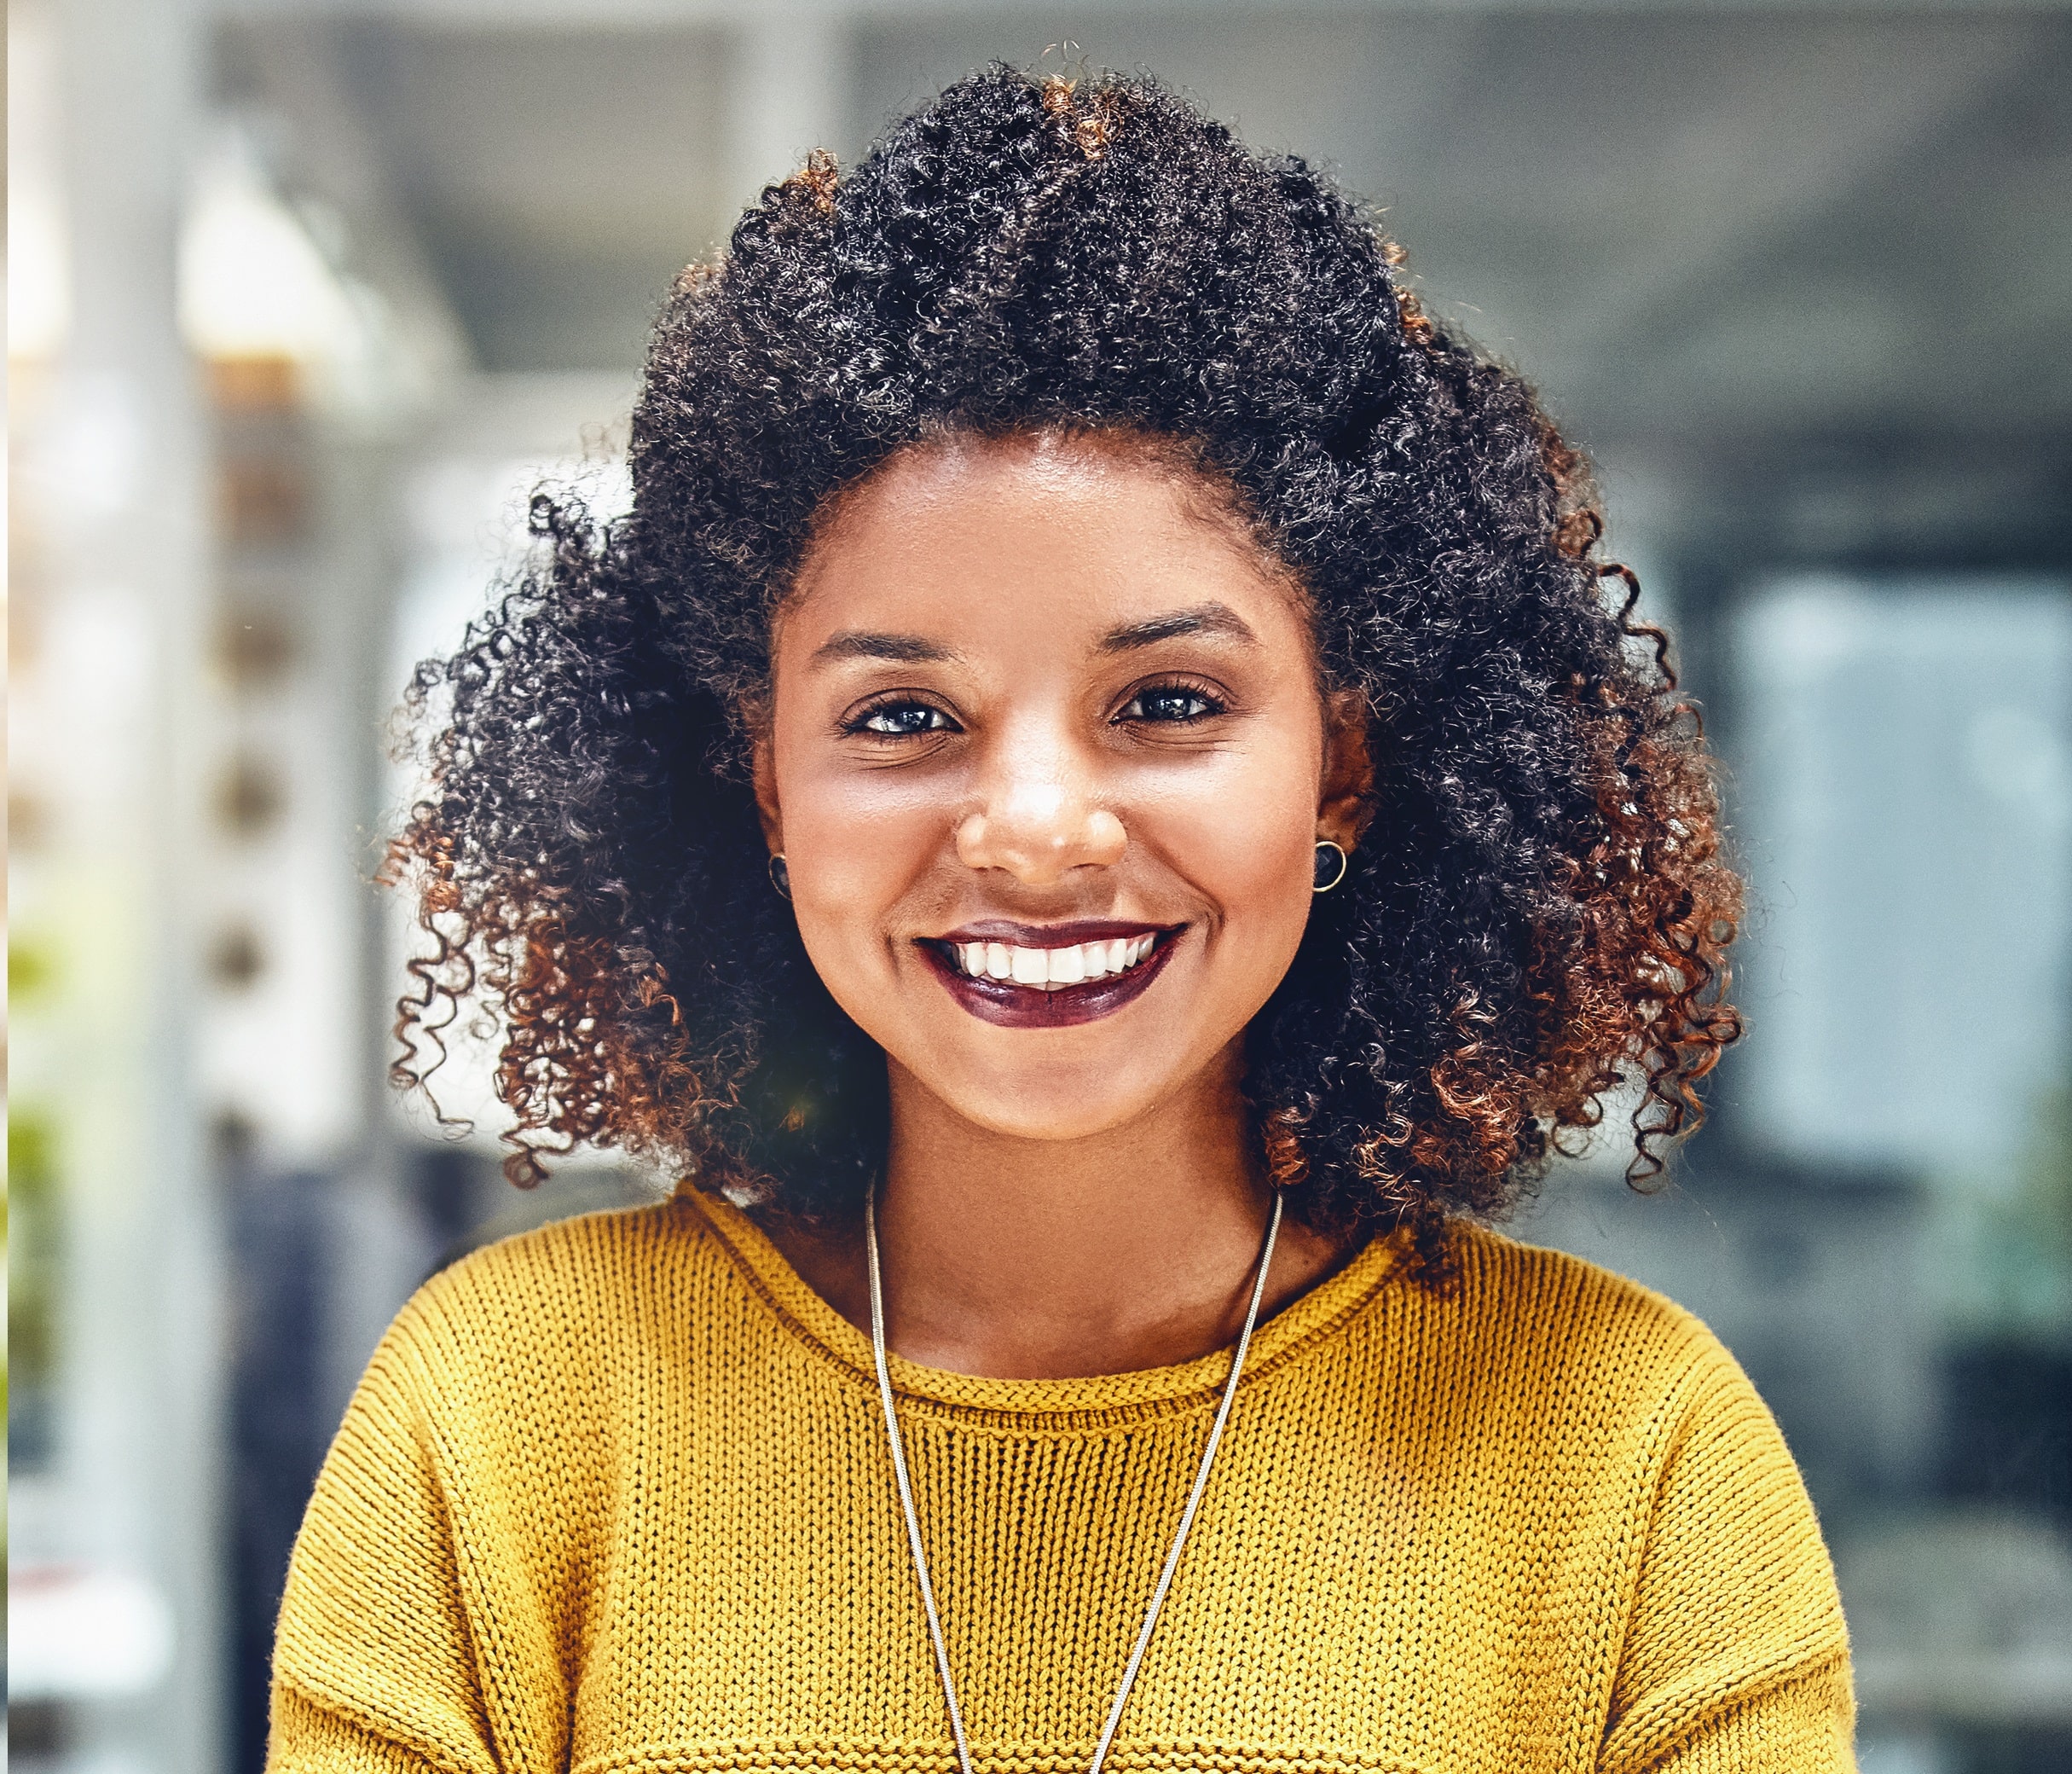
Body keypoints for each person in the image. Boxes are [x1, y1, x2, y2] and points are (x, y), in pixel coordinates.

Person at [269, 66, 1852, 1774]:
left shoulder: (1629, 1454)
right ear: (761, 778)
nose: (1033, 832)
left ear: (1345, 760)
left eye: (1168, 700)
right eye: (898, 715)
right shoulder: (503, 1421)